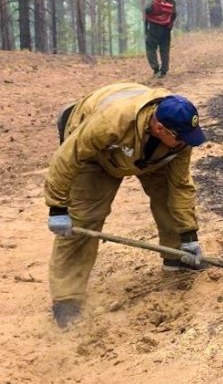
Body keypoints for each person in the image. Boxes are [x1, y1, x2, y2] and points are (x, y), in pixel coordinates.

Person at [45, 83, 206, 328]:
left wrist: (188, 235)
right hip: (96, 153)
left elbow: (181, 187)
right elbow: (68, 157)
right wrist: (57, 207)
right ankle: (67, 298)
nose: (187, 143)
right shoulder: (112, 121)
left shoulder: (179, 140)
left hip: (148, 153)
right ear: (160, 127)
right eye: (182, 138)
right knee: (85, 216)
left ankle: (177, 259)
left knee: (167, 194)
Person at [144, 0, 177, 78]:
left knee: (150, 47)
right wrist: (170, 24)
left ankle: (155, 68)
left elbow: (148, 9)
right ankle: (164, 70)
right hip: (166, 27)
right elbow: (174, 13)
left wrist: (146, 24)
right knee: (164, 49)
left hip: (154, 26)